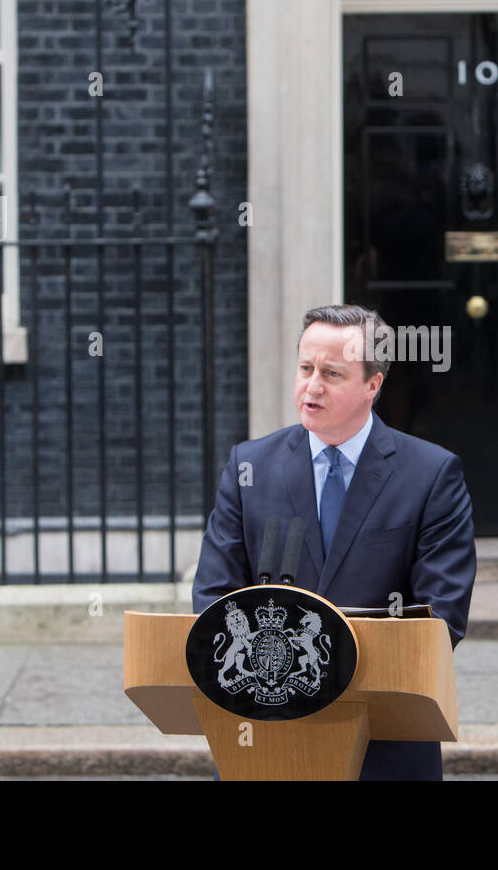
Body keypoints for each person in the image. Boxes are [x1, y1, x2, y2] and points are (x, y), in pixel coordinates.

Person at [192, 303, 477, 780]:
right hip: (265, 732)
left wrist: (336, 673)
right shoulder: (249, 466)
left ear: (373, 385)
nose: (312, 386)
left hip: (382, 742)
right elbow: (212, 596)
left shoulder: (430, 475)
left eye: (332, 373)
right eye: (305, 368)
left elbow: (440, 617)